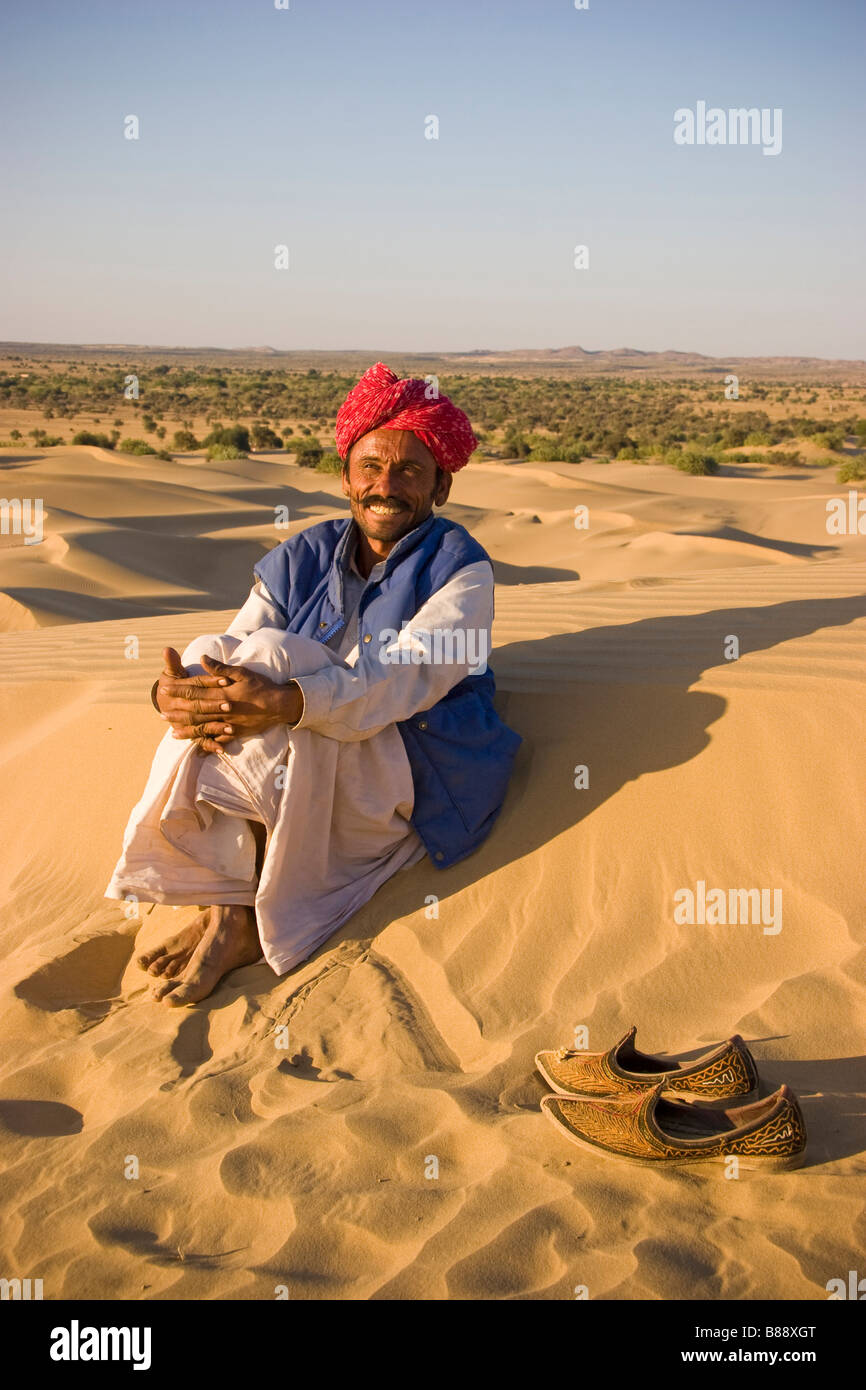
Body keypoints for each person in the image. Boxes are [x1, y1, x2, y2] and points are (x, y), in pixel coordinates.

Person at [105, 363, 522, 1005]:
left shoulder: (460, 570)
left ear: (441, 485)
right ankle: (230, 905)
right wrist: (176, 696)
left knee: (276, 661)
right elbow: (232, 648)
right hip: (302, 751)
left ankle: (240, 918)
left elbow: (401, 681)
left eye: (411, 470)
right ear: (347, 477)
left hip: (414, 757)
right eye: (371, 467)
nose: (387, 486)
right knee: (210, 653)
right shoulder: (304, 554)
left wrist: (287, 701)